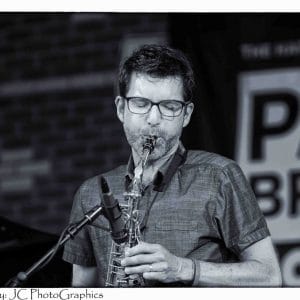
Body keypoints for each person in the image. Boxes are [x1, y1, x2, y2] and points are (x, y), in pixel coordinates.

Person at [62, 44, 282, 287]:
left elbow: (270, 276)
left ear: (186, 115)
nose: (154, 119)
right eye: (141, 103)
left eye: (169, 107)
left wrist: (182, 268)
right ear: (121, 108)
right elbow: (82, 289)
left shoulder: (220, 176)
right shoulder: (91, 193)